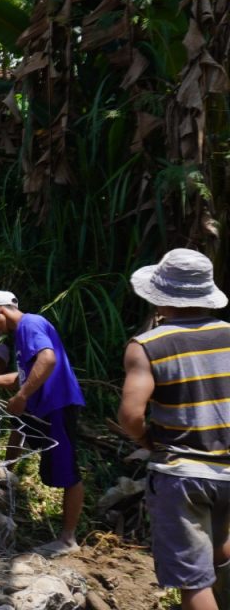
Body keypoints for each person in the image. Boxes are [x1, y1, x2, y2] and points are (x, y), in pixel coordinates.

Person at [119, 249, 230, 610]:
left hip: (182, 473)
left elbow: (130, 415)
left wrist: (145, 441)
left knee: (193, 582)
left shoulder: (147, 346)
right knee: (221, 548)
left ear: (159, 297)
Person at [0, 291, 85, 557]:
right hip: (39, 407)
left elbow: (47, 360)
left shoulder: (30, 324)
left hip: (56, 405)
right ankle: (6, 486)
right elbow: (24, 375)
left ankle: (68, 539)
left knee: (68, 471)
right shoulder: (23, 334)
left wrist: (22, 396)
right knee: (17, 429)